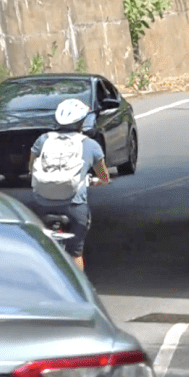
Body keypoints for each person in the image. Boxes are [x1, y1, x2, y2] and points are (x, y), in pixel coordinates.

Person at [29, 98, 111, 271]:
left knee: (41, 248)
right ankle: (75, 285)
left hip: (41, 201)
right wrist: (102, 181)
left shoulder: (43, 140)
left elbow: (31, 167)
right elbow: (103, 174)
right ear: (81, 121)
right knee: (75, 252)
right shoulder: (90, 144)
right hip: (73, 204)